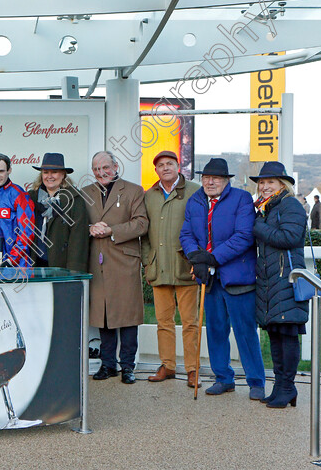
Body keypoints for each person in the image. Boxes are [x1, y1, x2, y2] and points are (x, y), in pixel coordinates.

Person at [180, 157, 266, 400]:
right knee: (215, 330)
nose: (210, 182)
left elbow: (243, 237)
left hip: (237, 277)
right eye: (206, 177)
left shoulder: (241, 199)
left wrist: (212, 259)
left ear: (226, 180)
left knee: (245, 332)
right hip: (209, 279)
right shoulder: (195, 200)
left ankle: (256, 382)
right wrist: (196, 257)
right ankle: (223, 378)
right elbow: (186, 233)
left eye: (216, 178)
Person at [82, 151, 148, 385]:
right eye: (97, 169)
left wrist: (112, 231)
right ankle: (108, 364)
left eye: (105, 168)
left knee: (128, 316)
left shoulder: (133, 190)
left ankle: (128, 367)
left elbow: (141, 224)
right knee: (104, 314)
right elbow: (79, 224)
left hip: (124, 260)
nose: (101, 173)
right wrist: (90, 227)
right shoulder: (85, 193)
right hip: (97, 261)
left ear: (116, 166)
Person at [250, 161, 308, 409]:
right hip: (270, 281)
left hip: (287, 279)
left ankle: (287, 387)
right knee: (275, 334)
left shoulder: (290, 205)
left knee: (287, 335)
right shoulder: (267, 208)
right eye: (261, 182)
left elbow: (290, 237)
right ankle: (280, 386)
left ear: (282, 184)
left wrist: (259, 228)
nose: (264, 186)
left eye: (269, 182)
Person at [141, 151, 202, 387]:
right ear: (155, 170)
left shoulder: (195, 191)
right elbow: (144, 234)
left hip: (185, 265)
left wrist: (198, 259)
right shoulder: (149, 196)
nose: (165, 168)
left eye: (170, 164)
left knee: (190, 322)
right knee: (163, 321)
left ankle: (192, 369)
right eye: (161, 165)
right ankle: (167, 365)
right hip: (159, 267)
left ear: (178, 167)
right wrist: (148, 260)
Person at [26, 153, 88, 271]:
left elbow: (79, 239)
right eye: (45, 172)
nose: (49, 176)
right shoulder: (31, 197)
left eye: (54, 172)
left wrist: (74, 271)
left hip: (62, 267)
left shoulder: (74, 198)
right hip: (35, 265)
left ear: (63, 174)